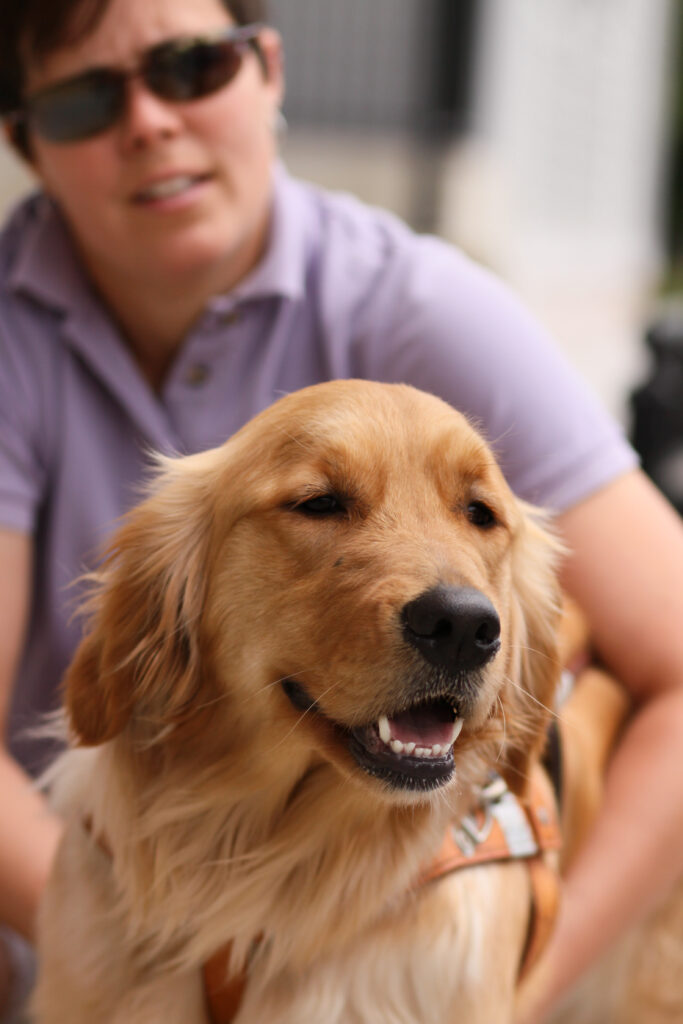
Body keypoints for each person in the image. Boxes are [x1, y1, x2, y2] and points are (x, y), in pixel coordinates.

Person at [0, 0, 682, 1020]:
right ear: (27, 147)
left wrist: (531, 960)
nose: (147, 122)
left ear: (268, 70)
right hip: (103, 871)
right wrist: (154, 938)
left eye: (192, 68)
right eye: (85, 98)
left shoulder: (424, 308)